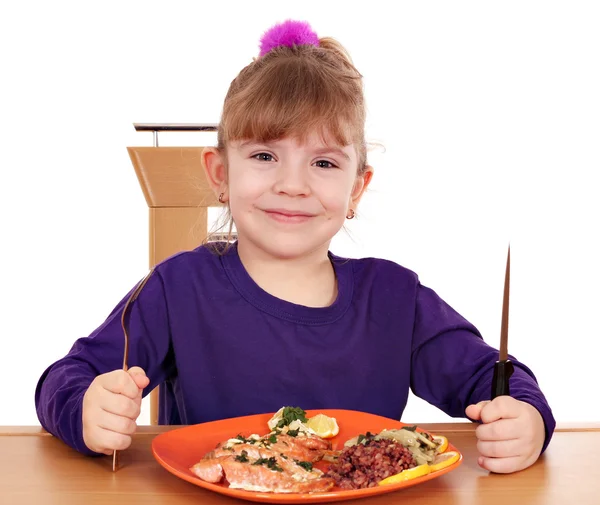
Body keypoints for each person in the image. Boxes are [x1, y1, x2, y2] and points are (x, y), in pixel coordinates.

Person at [35, 20, 554, 475]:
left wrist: (525, 421)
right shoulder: (177, 288)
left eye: (324, 163)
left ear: (356, 188)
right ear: (221, 174)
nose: (293, 184)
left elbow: (497, 380)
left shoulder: (396, 297)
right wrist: (86, 410)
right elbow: (66, 378)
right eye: (264, 155)